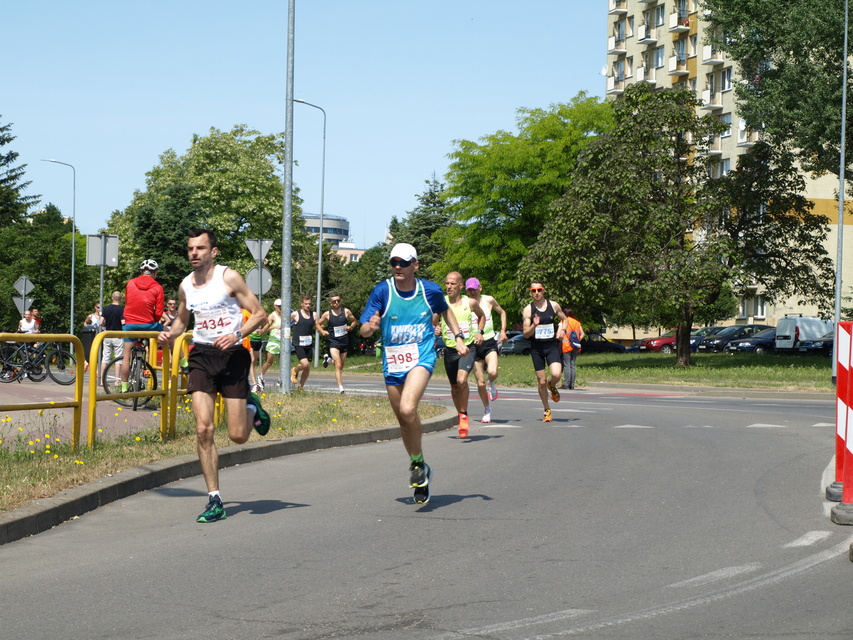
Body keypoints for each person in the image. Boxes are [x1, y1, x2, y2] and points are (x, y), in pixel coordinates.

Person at [158, 229, 270, 524]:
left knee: (238, 436)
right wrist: (170, 335)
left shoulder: (228, 278)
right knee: (203, 429)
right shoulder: (185, 285)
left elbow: (260, 314)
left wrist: (237, 334)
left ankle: (251, 406)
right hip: (202, 357)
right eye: (190, 249)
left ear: (213, 252)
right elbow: (183, 319)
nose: (194, 253)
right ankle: (215, 499)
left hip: (232, 357)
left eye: (200, 248)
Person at [360, 243, 469, 505]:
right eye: (394, 262)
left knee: (409, 409)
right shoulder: (382, 291)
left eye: (404, 262)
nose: (398, 267)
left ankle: (418, 465)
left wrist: (459, 337)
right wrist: (370, 327)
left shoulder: (429, 290)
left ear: (415, 265)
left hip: (421, 357)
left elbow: (446, 311)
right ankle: (419, 465)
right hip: (393, 363)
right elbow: (364, 329)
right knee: (404, 421)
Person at [437, 272, 485, 439]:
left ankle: (464, 415)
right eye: (447, 283)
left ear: (460, 286)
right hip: (450, 350)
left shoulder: (470, 302)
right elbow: (433, 321)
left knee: (461, 380)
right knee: (454, 387)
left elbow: (482, 316)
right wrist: (435, 329)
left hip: (468, 348)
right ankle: (460, 414)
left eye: (452, 283)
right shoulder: (441, 303)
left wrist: (479, 332)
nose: (449, 286)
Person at [522, 280, 567, 423]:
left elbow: (565, 319)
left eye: (539, 290)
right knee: (541, 381)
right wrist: (534, 325)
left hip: (551, 346)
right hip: (537, 348)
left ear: (544, 290)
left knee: (556, 374)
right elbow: (526, 334)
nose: (536, 293)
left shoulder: (553, 305)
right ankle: (547, 410)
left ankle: (552, 385)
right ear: (530, 292)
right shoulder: (528, 310)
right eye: (533, 291)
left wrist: (562, 331)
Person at [465, 277, 508, 423]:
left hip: (489, 342)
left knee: (493, 371)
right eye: (469, 290)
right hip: (473, 345)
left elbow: (502, 312)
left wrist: (503, 330)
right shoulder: (465, 303)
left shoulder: (488, 300)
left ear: (480, 288)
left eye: (474, 289)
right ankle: (487, 410)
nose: (472, 292)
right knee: (480, 383)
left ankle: (492, 383)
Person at [121, 259, 165, 392]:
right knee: (172, 333)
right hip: (149, 325)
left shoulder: (130, 283)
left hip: (130, 325)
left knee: (126, 355)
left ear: (141, 271)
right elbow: (159, 311)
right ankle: (183, 363)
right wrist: (153, 321)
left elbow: (128, 301)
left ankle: (123, 389)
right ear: (155, 273)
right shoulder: (157, 287)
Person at [316, 293, 358, 394]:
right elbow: (317, 324)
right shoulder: (327, 314)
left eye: (338, 301)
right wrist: (322, 332)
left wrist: (350, 327)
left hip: (344, 340)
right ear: (331, 303)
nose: (336, 303)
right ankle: (341, 388)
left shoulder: (346, 311)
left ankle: (329, 360)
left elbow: (354, 321)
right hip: (333, 341)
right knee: (338, 364)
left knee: (340, 366)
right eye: (334, 301)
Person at [290, 295, 317, 391]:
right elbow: (286, 324)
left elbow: (317, 326)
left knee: (307, 367)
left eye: (309, 304)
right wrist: (289, 336)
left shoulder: (314, 315)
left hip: (308, 343)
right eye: (306, 304)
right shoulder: (295, 314)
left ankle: (300, 388)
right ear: (302, 304)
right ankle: (295, 370)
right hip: (298, 343)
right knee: (304, 364)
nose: (308, 305)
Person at [100, 291, 124, 387]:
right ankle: (117, 381)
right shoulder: (122, 309)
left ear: (112, 298)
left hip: (108, 335)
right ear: (120, 299)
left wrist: (105, 326)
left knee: (105, 358)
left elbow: (101, 322)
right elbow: (123, 322)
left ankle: (102, 380)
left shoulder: (106, 309)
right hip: (118, 335)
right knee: (118, 359)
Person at [259, 299, 283, 387]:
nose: (280, 308)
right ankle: (261, 376)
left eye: (281, 306)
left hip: (282, 341)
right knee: (269, 362)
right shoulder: (272, 316)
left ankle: (281, 378)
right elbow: (266, 329)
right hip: (273, 341)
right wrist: (275, 327)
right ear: (275, 306)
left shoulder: (285, 315)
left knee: (283, 362)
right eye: (279, 306)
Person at [560, 307, 585, 390]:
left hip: (567, 345)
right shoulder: (577, 323)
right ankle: (572, 384)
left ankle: (566, 384)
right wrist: (577, 340)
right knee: (572, 365)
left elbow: (560, 333)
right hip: (575, 346)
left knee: (567, 365)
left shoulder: (563, 321)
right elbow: (582, 334)